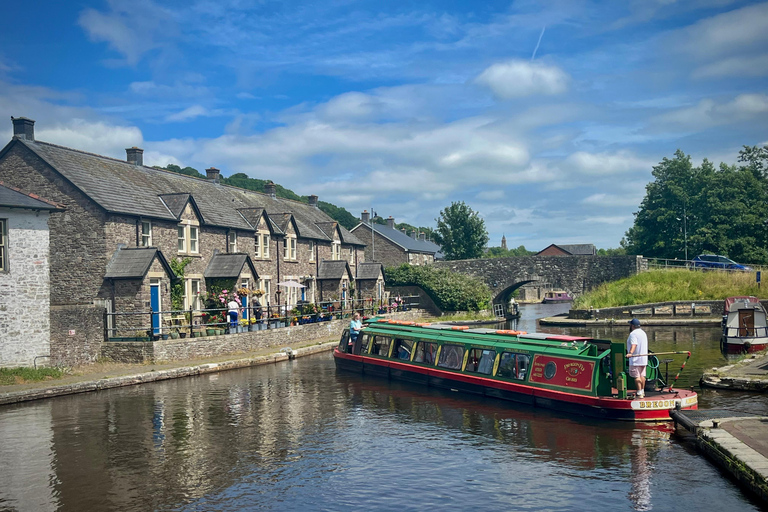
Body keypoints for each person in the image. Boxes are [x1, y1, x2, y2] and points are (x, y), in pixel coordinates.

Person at [626, 318, 649, 398]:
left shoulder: (633, 334)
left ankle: (639, 392)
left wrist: (630, 353)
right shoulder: (643, 333)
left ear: (632, 326)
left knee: (636, 376)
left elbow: (634, 344)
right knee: (642, 376)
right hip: (643, 358)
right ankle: (642, 391)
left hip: (635, 359)